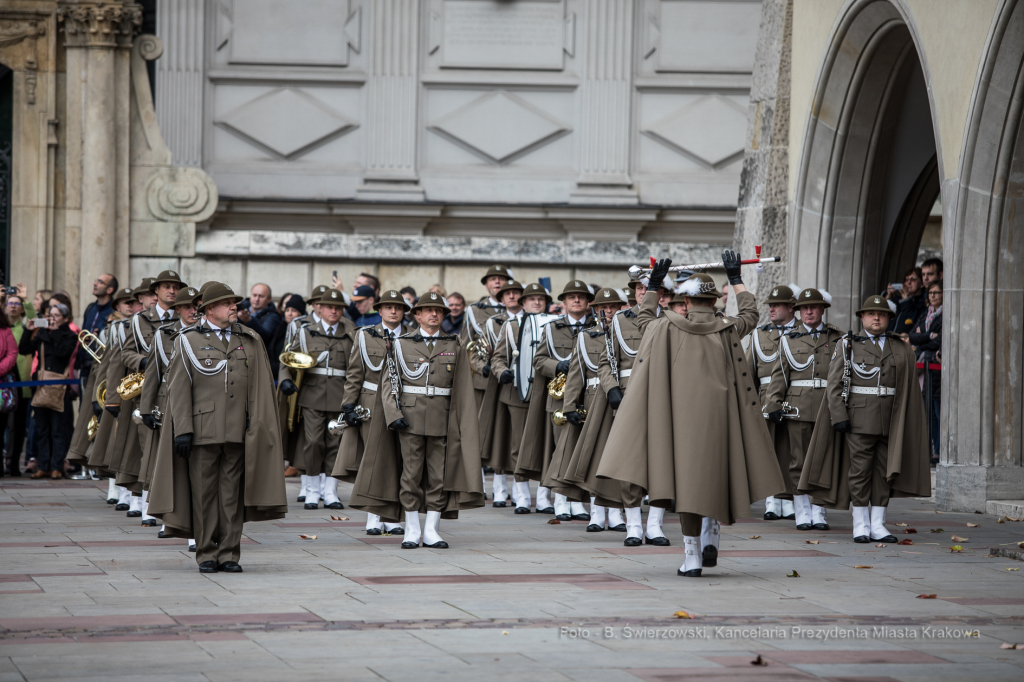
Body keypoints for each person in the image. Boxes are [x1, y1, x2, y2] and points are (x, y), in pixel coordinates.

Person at [597, 254, 787, 578]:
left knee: (687, 487)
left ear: (686, 299)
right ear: (714, 300)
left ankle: (692, 557)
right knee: (715, 477)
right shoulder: (728, 327)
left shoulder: (665, 326)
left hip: (680, 422)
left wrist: (654, 285)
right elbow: (751, 314)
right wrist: (736, 277)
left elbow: (642, 320)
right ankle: (712, 532)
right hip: (722, 419)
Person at [157, 282, 287, 573]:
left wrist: (258, 427)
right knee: (204, 495)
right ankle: (206, 553)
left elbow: (258, 387)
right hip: (202, 430)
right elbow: (178, 389)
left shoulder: (249, 338)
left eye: (234, 303)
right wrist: (183, 430)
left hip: (238, 429)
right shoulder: (188, 340)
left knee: (231, 495)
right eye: (228, 303)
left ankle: (229, 553)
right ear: (209, 309)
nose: (234, 308)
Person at [800, 295, 931, 544]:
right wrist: (838, 416)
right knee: (859, 472)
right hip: (858, 418)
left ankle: (878, 524)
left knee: (884, 473)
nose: (876, 318)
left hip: (891, 419)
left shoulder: (900, 347)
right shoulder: (848, 344)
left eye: (881, 314)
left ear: (889, 319)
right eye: (871, 314)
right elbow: (834, 384)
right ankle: (860, 525)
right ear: (862, 317)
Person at [380, 291, 485, 548]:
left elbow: (461, 388)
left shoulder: (454, 345)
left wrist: (461, 422)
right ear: (417, 315)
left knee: (439, 475)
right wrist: (394, 415)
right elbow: (389, 384)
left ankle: (432, 530)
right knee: (411, 475)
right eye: (428, 310)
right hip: (410, 417)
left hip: (443, 418)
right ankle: (412, 529)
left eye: (439, 311)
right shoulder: (401, 343)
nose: (434, 314)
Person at [764, 288, 843, 531]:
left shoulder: (837, 338)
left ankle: (819, 511)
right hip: (797, 406)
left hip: (826, 407)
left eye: (814, 307)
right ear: (798, 311)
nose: (809, 312)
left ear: (822, 310)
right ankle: (802, 512)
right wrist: (773, 403)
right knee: (798, 460)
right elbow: (779, 375)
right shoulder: (789, 339)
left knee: (823, 460)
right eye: (804, 308)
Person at [333, 289, 408, 535]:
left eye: (398, 307)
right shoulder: (365, 336)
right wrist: (348, 405)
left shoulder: (412, 337)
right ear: (380, 310)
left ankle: (394, 517)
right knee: (373, 461)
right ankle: (374, 516)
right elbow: (355, 373)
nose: (393, 311)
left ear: (404, 311)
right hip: (370, 404)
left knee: (399, 461)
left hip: (402, 405)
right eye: (388, 307)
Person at [519, 279, 594, 521]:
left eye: (581, 296)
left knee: (584, 451)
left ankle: (578, 502)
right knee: (560, 450)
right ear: (563, 302)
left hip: (589, 398)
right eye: (571, 297)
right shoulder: (552, 328)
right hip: (560, 401)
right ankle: (561, 500)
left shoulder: (597, 327)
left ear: (588, 301)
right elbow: (538, 361)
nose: (576, 300)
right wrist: (557, 365)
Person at [279, 288, 355, 510]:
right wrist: (285, 380)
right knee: (313, 443)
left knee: (335, 444)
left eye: (338, 307)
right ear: (319, 308)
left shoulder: (350, 332)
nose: (334, 311)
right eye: (329, 307)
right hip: (312, 394)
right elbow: (287, 358)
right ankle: (312, 490)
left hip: (340, 396)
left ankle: (330, 492)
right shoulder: (305, 332)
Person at [135, 286, 200, 528]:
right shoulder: (164, 334)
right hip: (166, 402)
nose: (193, 311)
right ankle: (162, 515)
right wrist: (145, 408)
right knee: (163, 462)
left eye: (197, 306)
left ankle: (184, 518)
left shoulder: (207, 334)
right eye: (187, 307)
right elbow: (153, 373)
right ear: (178, 310)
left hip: (199, 404)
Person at [489, 282, 551, 513]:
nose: (536, 302)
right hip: (517, 391)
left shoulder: (555, 324)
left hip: (547, 391)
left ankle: (544, 497)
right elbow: (498, 358)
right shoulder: (511, 325)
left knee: (547, 445)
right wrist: (501, 371)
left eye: (541, 299)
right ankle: (522, 496)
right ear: (522, 303)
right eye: (531, 299)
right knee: (518, 445)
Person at [745, 285, 798, 521]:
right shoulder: (760, 334)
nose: (772, 309)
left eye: (777, 305)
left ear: (791, 308)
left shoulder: (801, 332)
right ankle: (771, 500)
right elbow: (749, 373)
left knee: (790, 450)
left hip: (794, 398)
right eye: (770, 305)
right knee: (768, 450)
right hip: (765, 399)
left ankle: (788, 499)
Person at [477, 279, 528, 508]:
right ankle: (499, 489)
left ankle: (521, 492)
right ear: (501, 298)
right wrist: (486, 368)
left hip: (526, 384)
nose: (512, 296)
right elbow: (477, 353)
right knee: (500, 436)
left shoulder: (534, 321)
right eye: (508, 293)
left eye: (517, 293)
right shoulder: (493, 323)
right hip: (500, 383)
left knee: (520, 439)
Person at [19, 303, 78, 480]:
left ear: (66, 318)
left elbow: (62, 353)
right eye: (50, 315)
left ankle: (57, 467)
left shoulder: (70, 335)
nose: (52, 319)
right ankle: (43, 466)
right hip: (42, 386)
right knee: (42, 429)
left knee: (58, 431)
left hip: (60, 389)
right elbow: (24, 350)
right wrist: (29, 331)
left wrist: (57, 332)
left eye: (56, 316)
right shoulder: (43, 334)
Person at [907, 282, 942, 465]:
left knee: (936, 410)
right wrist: (929, 335)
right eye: (931, 293)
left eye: (937, 292)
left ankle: (937, 449)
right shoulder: (926, 313)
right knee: (926, 409)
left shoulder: (943, 314)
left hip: (936, 368)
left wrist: (923, 338)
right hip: (923, 364)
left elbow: (941, 341)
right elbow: (912, 336)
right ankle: (929, 449)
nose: (933, 296)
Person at [5, 294, 32, 476]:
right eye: (9, 303)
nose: (13, 307)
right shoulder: (3, 328)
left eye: (17, 304)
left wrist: (27, 300)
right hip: (4, 382)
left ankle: (13, 464)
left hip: (22, 382)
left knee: (18, 425)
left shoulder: (24, 327)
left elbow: (34, 321)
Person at [78, 274, 117, 382]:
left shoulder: (114, 312)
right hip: (85, 366)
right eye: (96, 281)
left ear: (110, 290)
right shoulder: (91, 308)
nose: (95, 284)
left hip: (103, 367)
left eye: (100, 282)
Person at [888, 267, 925, 334]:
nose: (909, 282)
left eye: (913, 279)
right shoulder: (897, 300)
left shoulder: (923, 302)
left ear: (921, 284)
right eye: (906, 279)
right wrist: (888, 297)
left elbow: (911, 319)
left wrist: (906, 300)